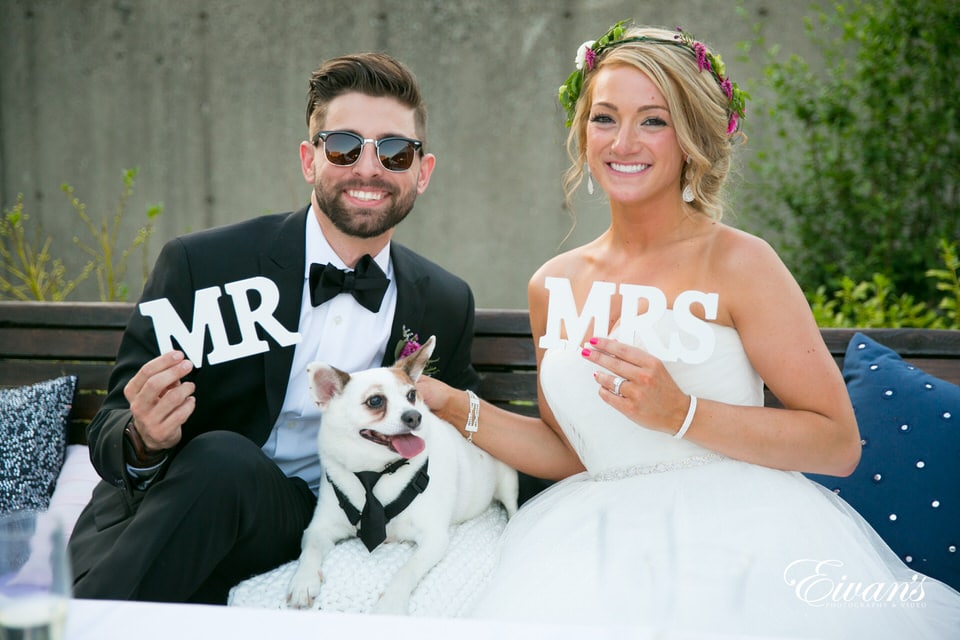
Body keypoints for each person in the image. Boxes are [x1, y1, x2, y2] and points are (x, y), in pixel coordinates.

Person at [417, 21, 960, 637]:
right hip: (591, 550)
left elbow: (836, 444)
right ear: (581, 133)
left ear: (693, 137)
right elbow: (572, 454)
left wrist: (680, 412)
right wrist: (451, 404)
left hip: (743, 541)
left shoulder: (742, 264)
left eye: (654, 120)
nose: (624, 141)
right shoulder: (553, 283)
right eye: (604, 118)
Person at [67, 52, 481, 604]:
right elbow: (111, 425)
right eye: (343, 146)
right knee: (222, 460)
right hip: (190, 500)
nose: (368, 169)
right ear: (310, 160)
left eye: (395, 151)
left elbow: (454, 432)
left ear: (421, 173)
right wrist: (144, 438)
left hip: (322, 516)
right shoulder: (204, 265)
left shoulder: (445, 303)